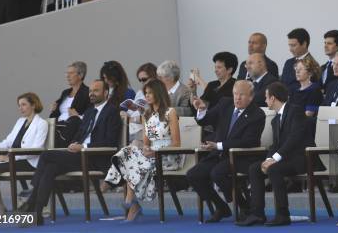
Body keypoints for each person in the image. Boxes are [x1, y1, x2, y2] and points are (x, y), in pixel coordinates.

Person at [18, 80, 121, 226]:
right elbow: (79, 134)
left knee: (47, 155)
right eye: (91, 90)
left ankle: (31, 202)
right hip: (79, 156)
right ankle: (37, 213)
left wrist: (84, 146)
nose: (91, 93)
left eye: (96, 91)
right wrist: (74, 144)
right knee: (50, 168)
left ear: (106, 93)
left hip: (96, 157)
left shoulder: (112, 111)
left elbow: (110, 142)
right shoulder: (90, 111)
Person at [237, 82, 324, 227]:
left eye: (266, 98)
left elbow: (294, 139)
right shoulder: (275, 119)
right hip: (286, 159)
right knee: (254, 168)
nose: (265, 101)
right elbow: (275, 145)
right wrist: (268, 159)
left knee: (274, 169)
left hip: (303, 159)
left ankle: (283, 214)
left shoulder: (295, 111)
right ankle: (257, 214)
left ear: (273, 98)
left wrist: (274, 159)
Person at [187, 80, 266, 223]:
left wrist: (218, 145)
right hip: (219, 154)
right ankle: (222, 207)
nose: (237, 98)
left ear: (251, 96)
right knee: (194, 174)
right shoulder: (225, 103)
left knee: (217, 173)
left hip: (241, 156)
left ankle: (244, 206)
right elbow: (205, 120)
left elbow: (248, 142)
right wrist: (202, 109)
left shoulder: (257, 114)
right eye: (235, 94)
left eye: (242, 95)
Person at [104, 79, 182, 222]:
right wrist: (146, 148)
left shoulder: (170, 112)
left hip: (167, 155)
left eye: (150, 93)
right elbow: (146, 143)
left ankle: (130, 201)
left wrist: (154, 151)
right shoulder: (146, 115)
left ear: (158, 93)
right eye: (146, 93)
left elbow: (176, 143)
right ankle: (131, 203)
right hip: (151, 154)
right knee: (127, 152)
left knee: (132, 161)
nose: (147, 96)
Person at [0, 93, 47, 222]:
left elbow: (37, 149)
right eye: (19, 105)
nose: (20, 108)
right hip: (13, 159)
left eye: (24, 105)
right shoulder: (20, 121)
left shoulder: (42, 123)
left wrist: (10, 158)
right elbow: (7, 142)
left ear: (33, 105)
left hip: (28, 161)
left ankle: (0, 208)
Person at [50, 61, 90, 147]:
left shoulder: (87, 93)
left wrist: (77, 117)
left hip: (72, 130)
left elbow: (91, 115)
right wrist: (53, 110)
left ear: (81, 75)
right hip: (58, 127)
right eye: (66, 73)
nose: (67, 76)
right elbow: (55, 114)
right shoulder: (65, 92)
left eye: (71, 73)